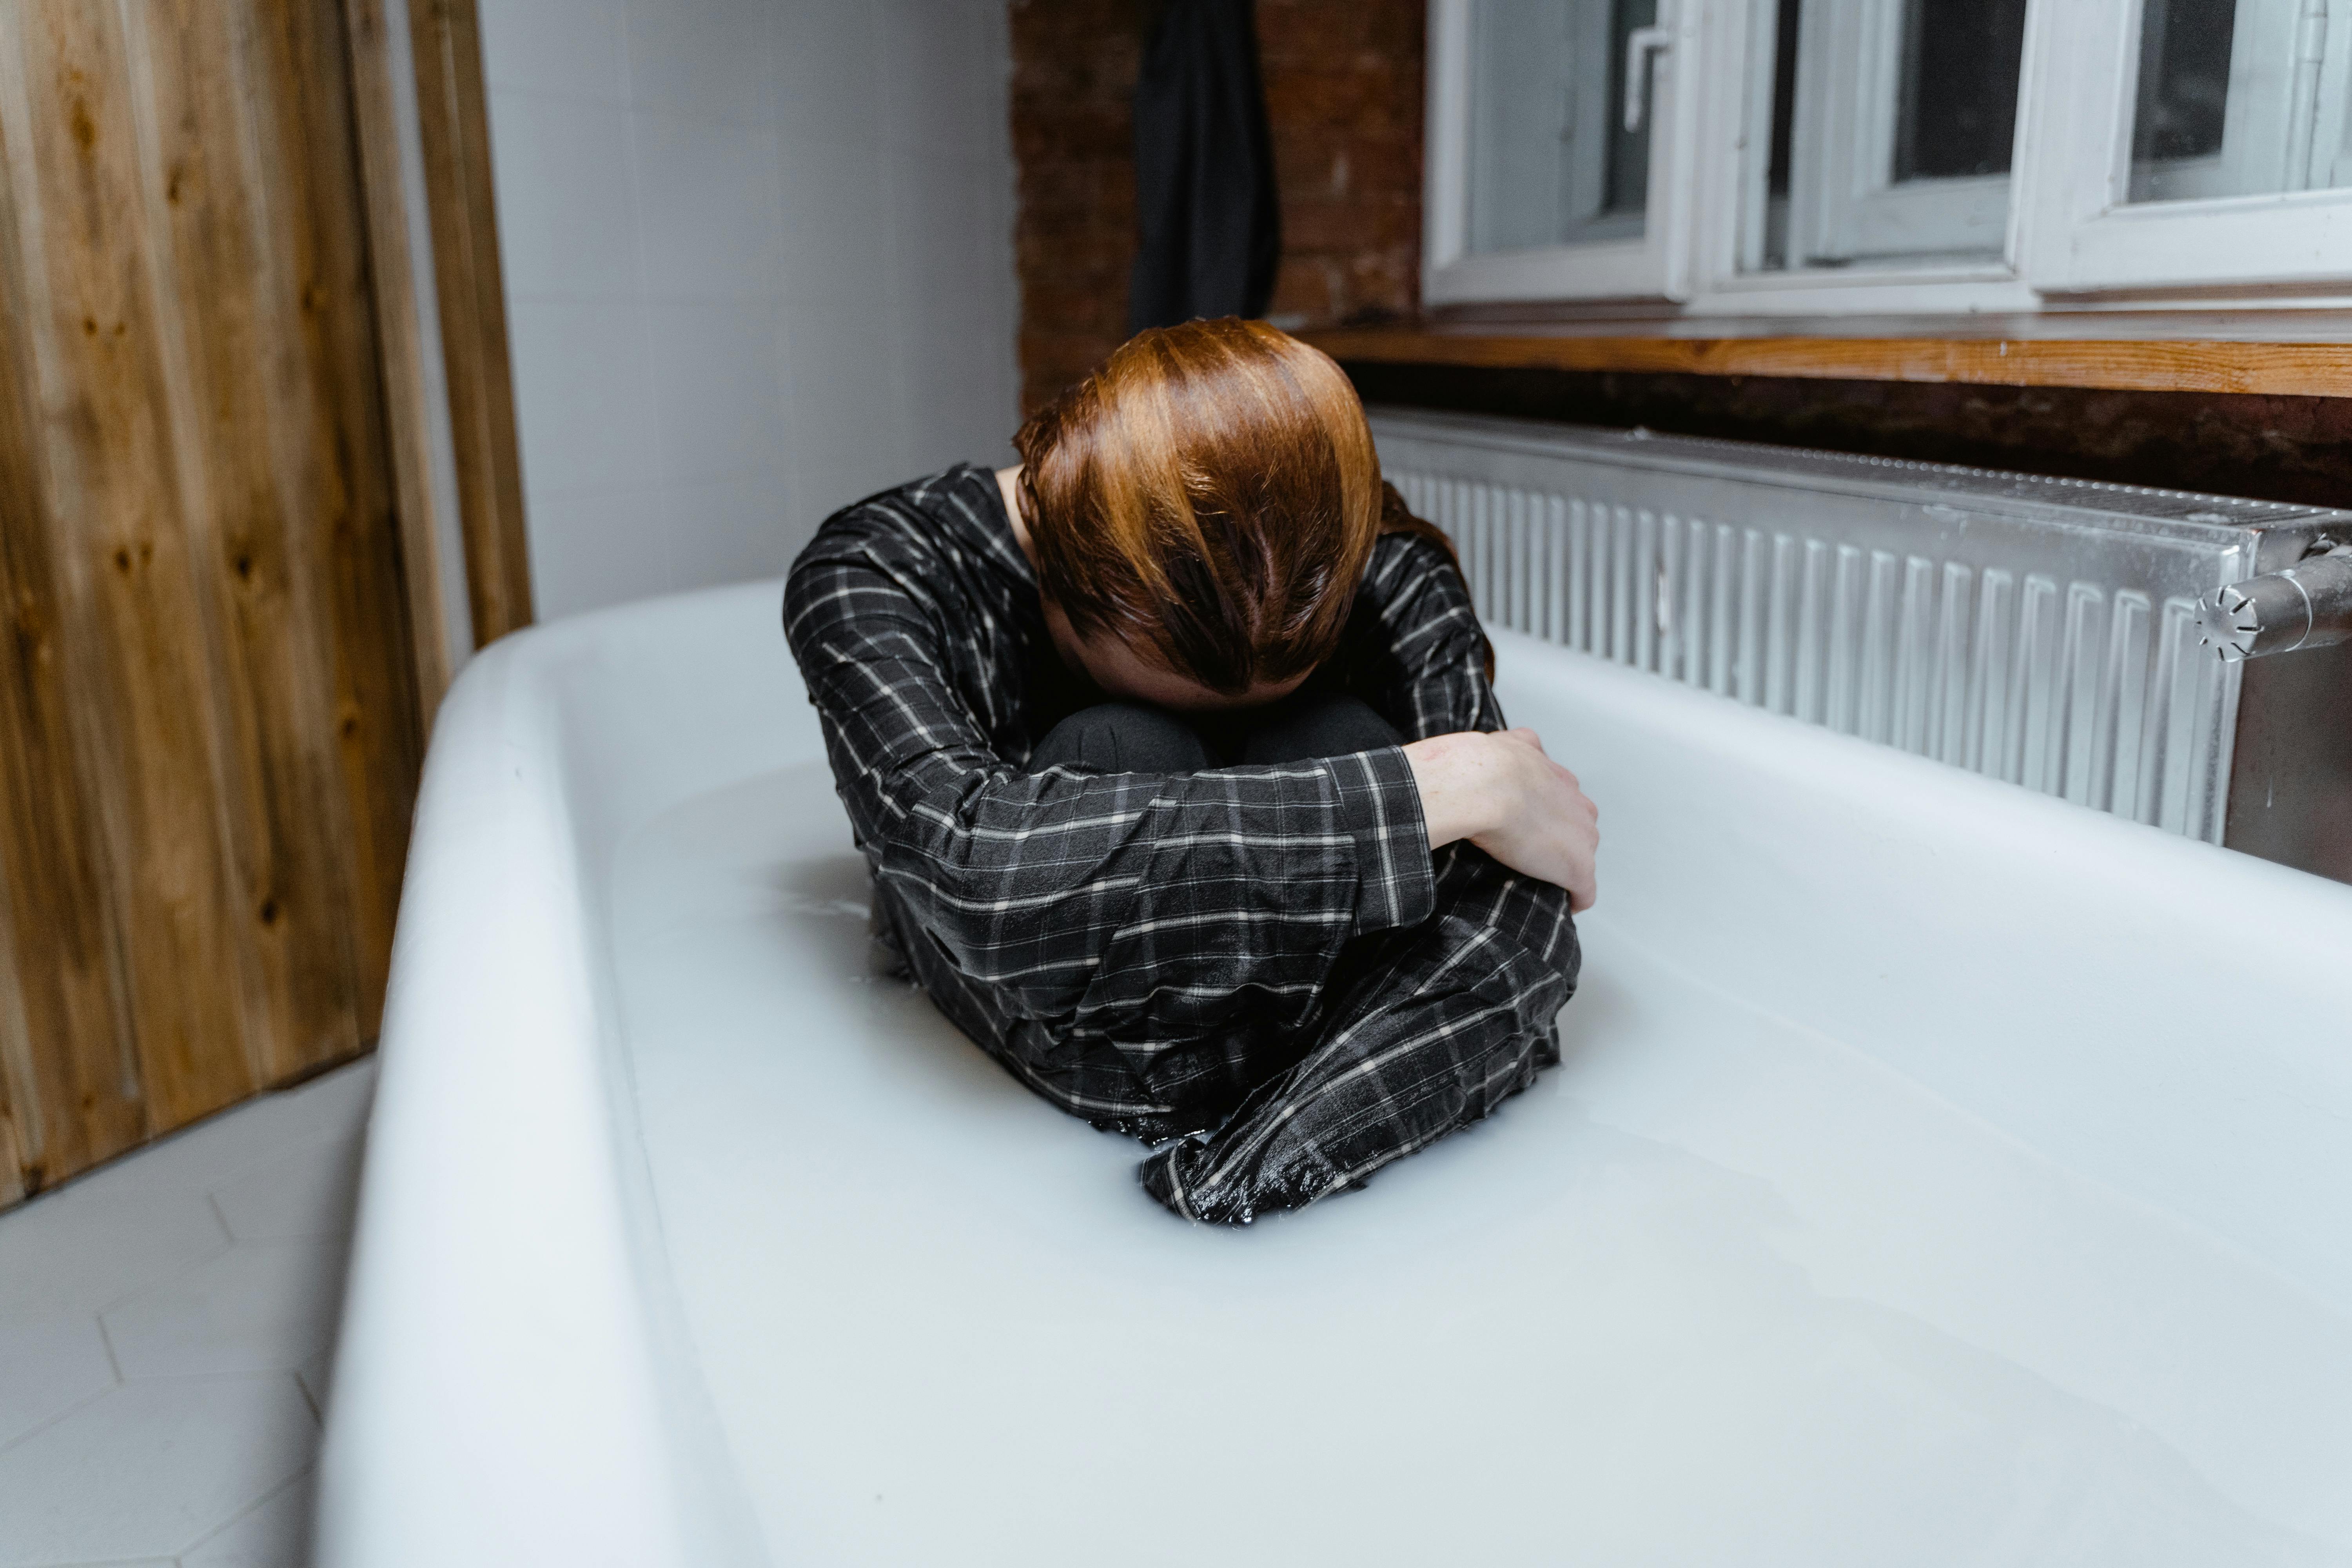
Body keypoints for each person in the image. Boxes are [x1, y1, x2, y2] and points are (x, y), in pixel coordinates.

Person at [783, 319, 1597, 1225]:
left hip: (1194, 1121)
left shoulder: (1365, 553)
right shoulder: (880, 572)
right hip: (1075, 1021)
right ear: (1052, 564)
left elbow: (1519, 930)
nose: (1229, 733)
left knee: (1333, 738)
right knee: (1130, 753)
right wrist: (1437, 788)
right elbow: (983, 880)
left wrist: (1233, 1181)